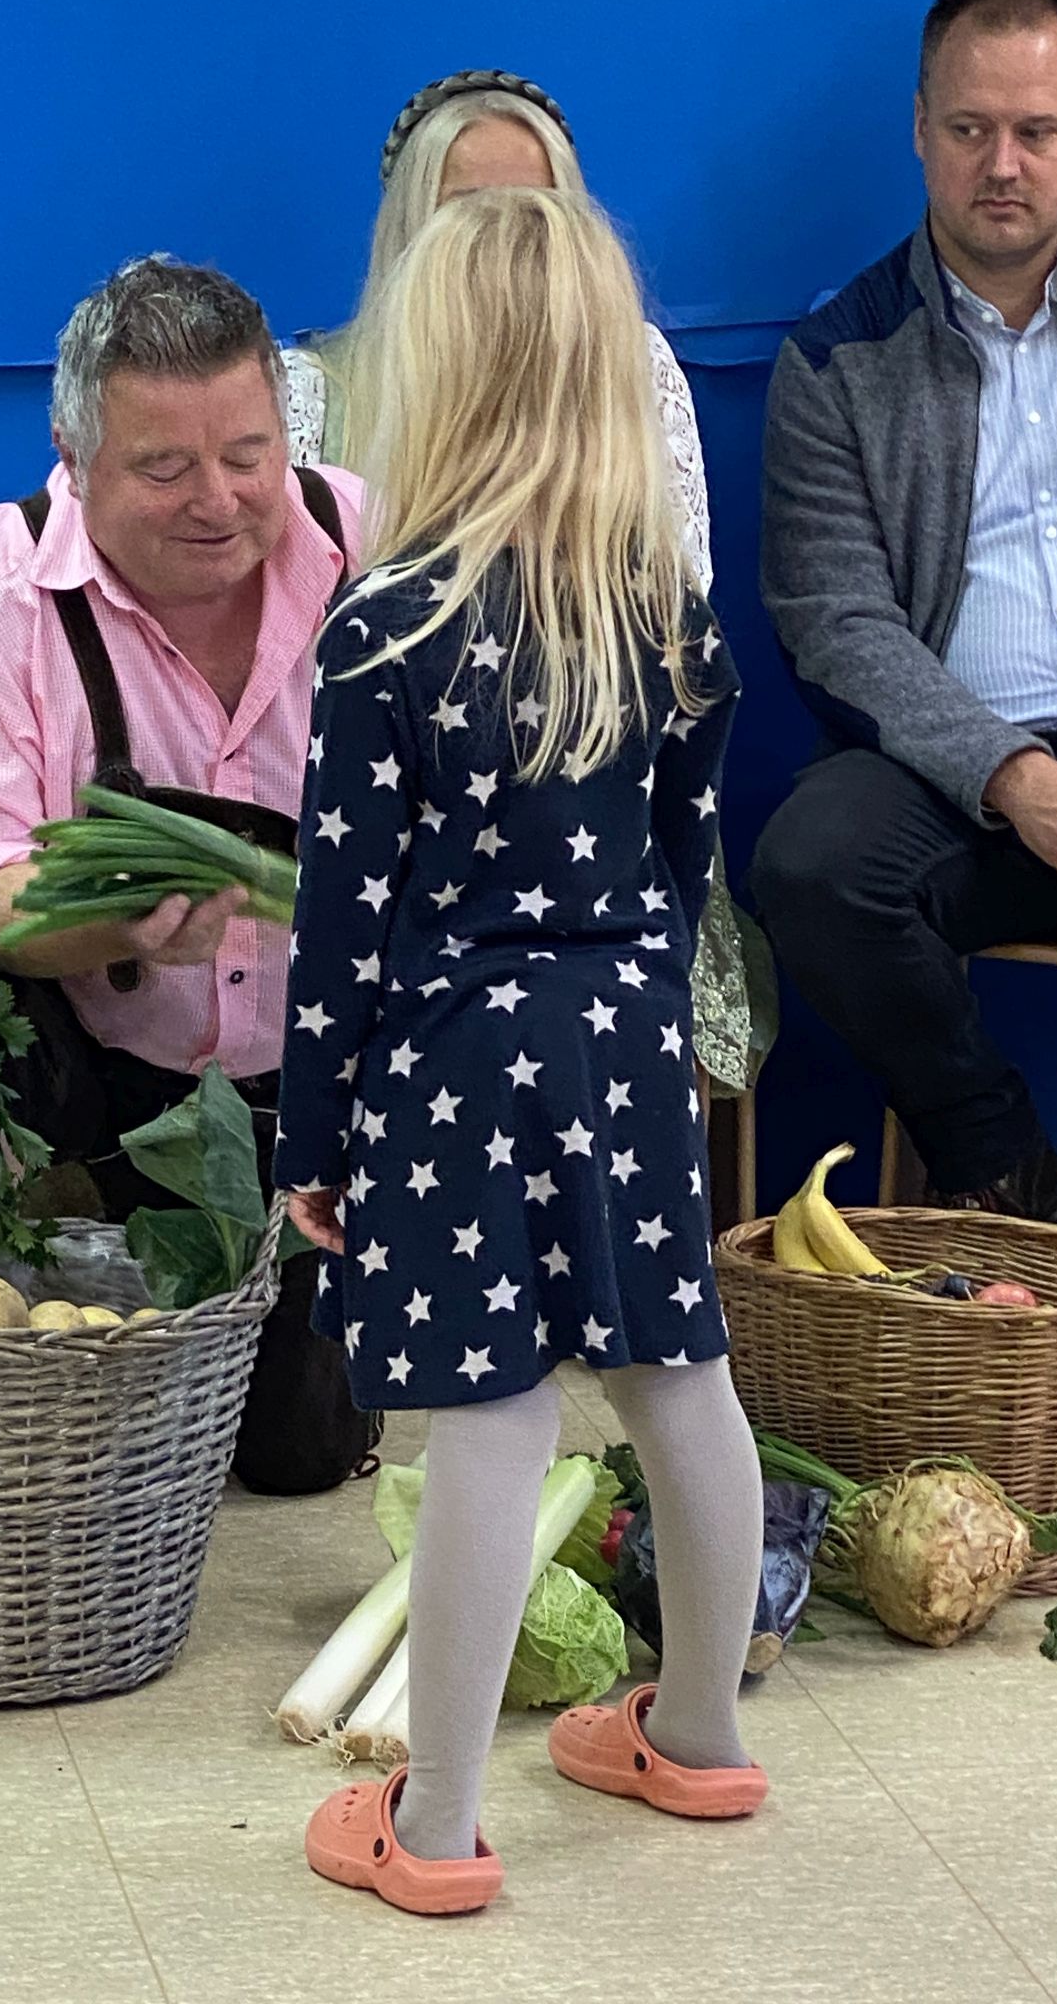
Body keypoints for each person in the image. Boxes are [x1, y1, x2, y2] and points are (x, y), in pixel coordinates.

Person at [274, 187, 768, 1919]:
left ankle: (431, 1828)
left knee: (484, 1416)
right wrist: (630, 1006)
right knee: (679, 1378)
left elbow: (339, 923)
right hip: (629, 1039)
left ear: (436, 380)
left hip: (451, 1063)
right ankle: (698, 1731)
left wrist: (312, 1143)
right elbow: (685, 866)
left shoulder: (385, 628)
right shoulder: (668, 616)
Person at [0, 256, 377, 1495]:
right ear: (73, 453)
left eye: (249, 455)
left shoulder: (377, 554)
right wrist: (100, 920)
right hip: (96, 1087)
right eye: (165, 468)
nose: (219, 501)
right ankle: (43, 1284)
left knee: (301, 1456)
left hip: (329, 1093)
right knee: (97, 1449)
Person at [284, 67, 776, 1110]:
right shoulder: (311, 392)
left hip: (590, 813)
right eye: (469, 213)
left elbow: (673, 649)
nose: (506, 245)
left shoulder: (637, 373)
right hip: (376, 813)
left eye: (537, 211)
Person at [755, 0, 1057, 1222]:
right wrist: (1013, 773)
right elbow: (836, 622)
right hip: (959, 785)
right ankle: (1007, 1179)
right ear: (919, 129)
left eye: (1036, 130)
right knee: (812, 865)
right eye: (970, 130)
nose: (1002, 165)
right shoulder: (835, 359)